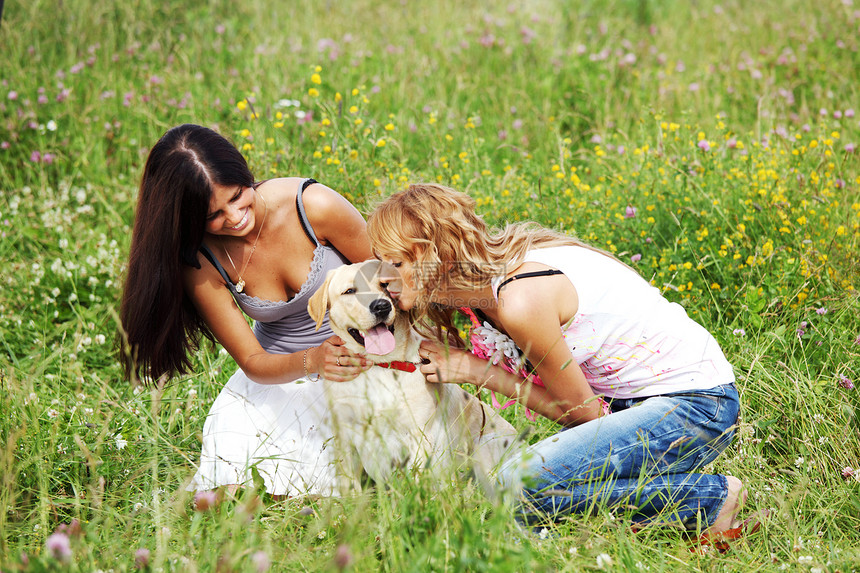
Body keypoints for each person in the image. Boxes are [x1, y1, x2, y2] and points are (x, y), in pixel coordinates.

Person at [367, 183, 755, 544]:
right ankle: (649, 509)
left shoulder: (519, 299)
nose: (384, 277)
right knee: (518, 500)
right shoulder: (479, 282)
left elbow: (585, 416)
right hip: (638, 406)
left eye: (396, 263)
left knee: (513, 485)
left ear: (438, 256)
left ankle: (711, 499)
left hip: (696, 406)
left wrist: (478, 372)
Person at [119, 123, 373, 496]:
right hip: (281, 375)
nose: (235, 217)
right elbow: (253, 360)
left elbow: (389, 280)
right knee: (234, 475)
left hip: (362, 357)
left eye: (238, 196)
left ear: (245, 174)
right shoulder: (203, 261)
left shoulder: (312, 205)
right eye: (213, 216)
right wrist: (314, 360)